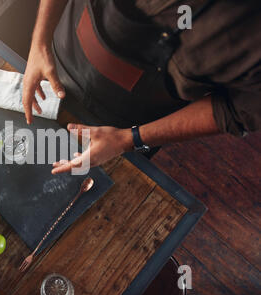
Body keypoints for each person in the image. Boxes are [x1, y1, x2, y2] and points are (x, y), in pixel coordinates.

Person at [22, 0, 260, 174]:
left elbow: (235, 111)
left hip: (128, 126)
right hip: (57, 60)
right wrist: (39, 43)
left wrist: (128, 139)